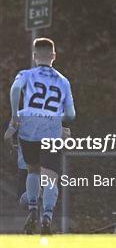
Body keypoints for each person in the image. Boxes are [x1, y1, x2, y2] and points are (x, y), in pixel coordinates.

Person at [4, 37, 76, 234]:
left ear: (35, 56)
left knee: (33, 170)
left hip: (28, 127)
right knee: (51, 176)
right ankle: (47, 216)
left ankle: (34, 206)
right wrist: (58, 118)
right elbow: (70, 115)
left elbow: (16, 89)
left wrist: (15, 115)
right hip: (51, 126)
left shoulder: (26, 74)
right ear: (54, 56)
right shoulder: (63, 81)